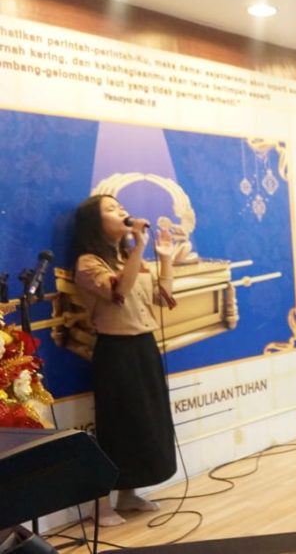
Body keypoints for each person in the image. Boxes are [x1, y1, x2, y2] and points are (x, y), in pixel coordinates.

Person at [73, 195, 177, 526]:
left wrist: (165, 259)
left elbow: (163, 298)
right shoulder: (88, 263)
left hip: (144, 345)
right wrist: (139, 248)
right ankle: (100, 504)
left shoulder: (129, 257)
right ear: (95, 222)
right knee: (118, 425)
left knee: (145, 422)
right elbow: (119, 293)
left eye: (121, 207)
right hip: (115, 351)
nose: (121, 212)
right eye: (111, 209)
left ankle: (129, 495)